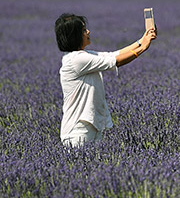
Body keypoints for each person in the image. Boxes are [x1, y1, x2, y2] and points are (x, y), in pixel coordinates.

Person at [55, 13, 156, 147]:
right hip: (78, 130)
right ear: (75, 36)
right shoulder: (77, 60)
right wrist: (143, 48)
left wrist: (141, 40)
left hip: (90, 126)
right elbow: (116, 61)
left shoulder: (82, 56)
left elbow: (114, 54)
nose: (88, 32)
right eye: (84, 30)